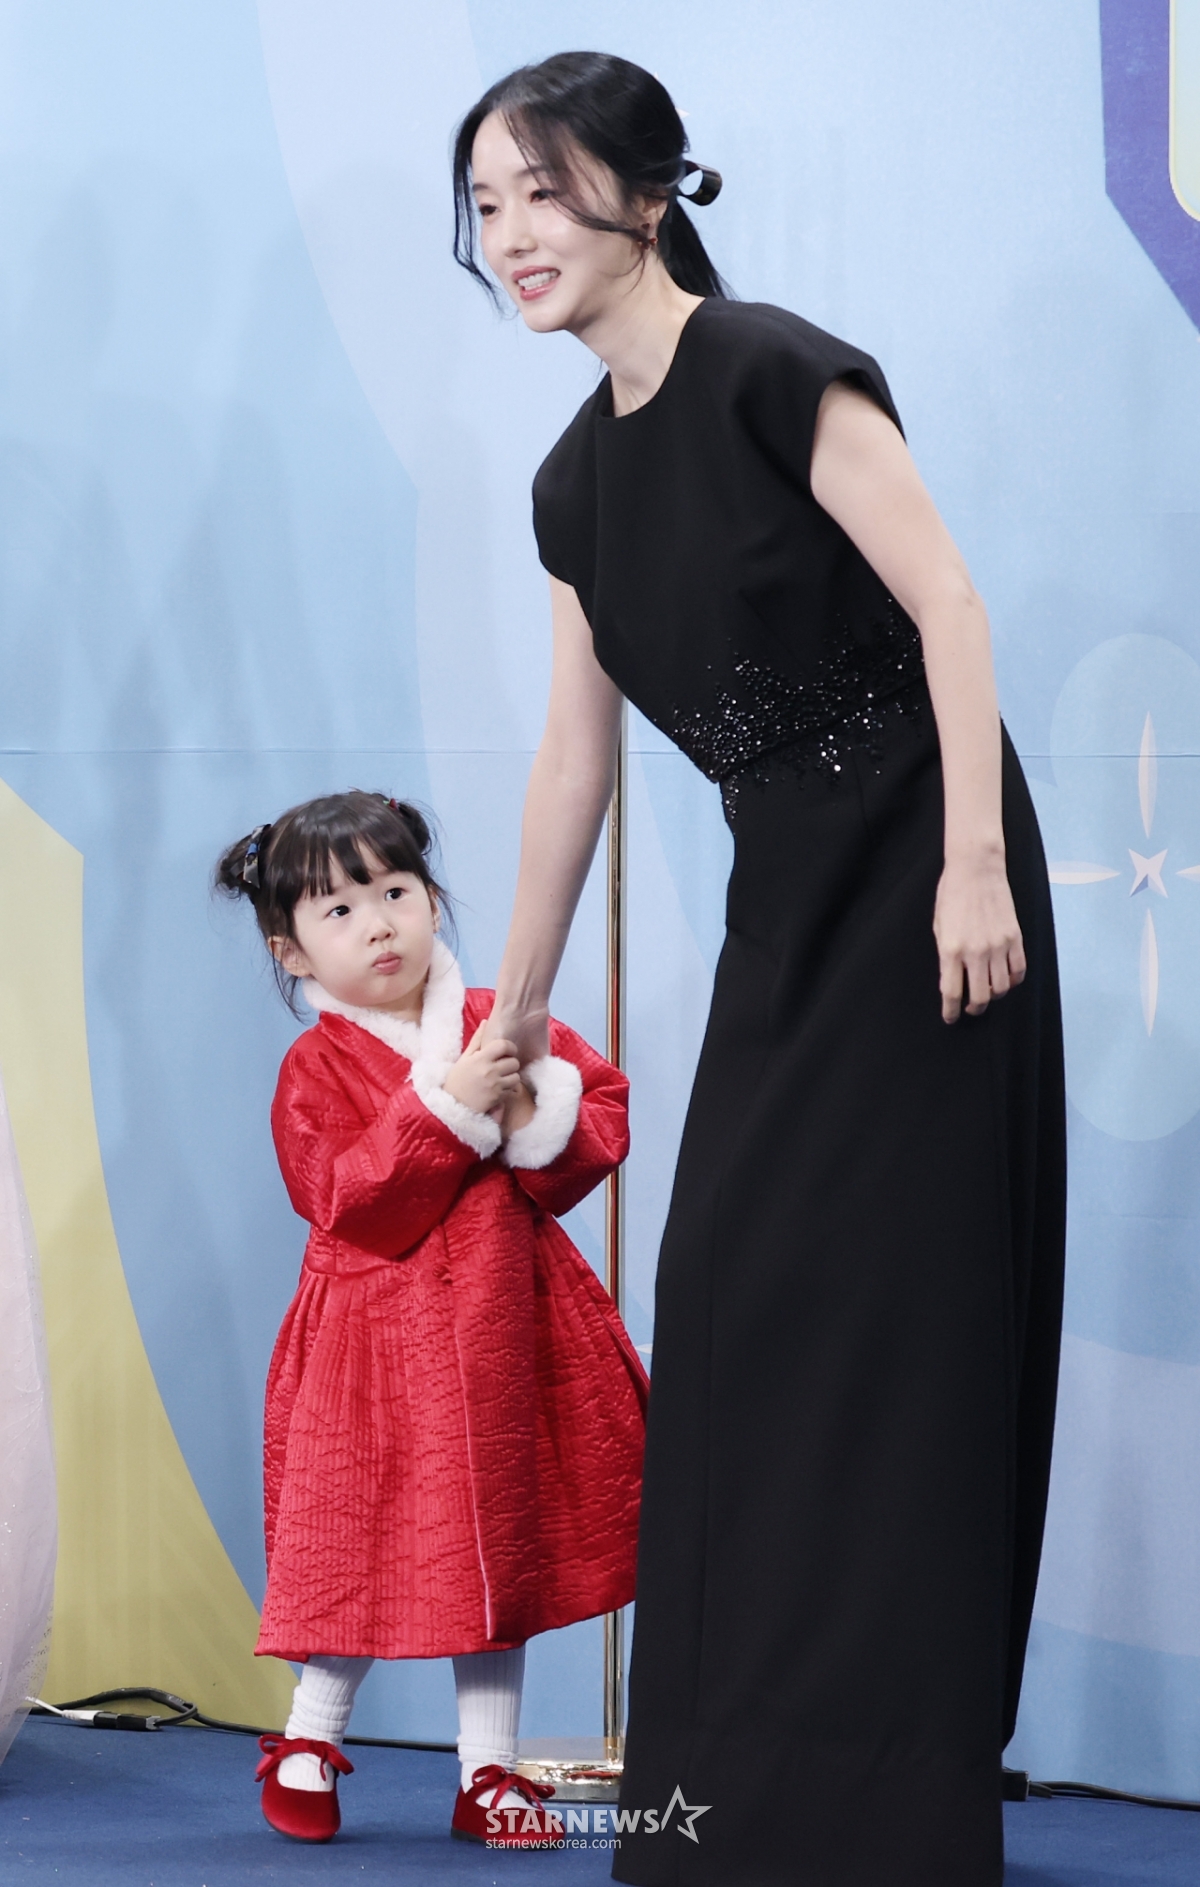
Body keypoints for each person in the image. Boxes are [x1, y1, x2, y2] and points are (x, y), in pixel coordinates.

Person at [451, 51, 1066, 1887]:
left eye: (546, 189)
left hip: (933, 876)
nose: (514, 233)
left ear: (649, 194)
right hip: (787, 906)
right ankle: (724, 1794)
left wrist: (972, 865)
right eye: (486, 205)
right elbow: (573, 768)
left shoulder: (771, 366)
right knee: (730, 1300)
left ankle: (888, 1790)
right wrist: (514, 1014)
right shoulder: (573, 485)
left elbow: (950, 602)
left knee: (901, 1328)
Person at [215, 790, 647, 1850]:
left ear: (432, 899)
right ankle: (310, 1734)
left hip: (506, 1329)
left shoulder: (500, 1019)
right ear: (292, 952)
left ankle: (488, 1769)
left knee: (498, 1544)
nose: (379, 924)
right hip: (369, 1351)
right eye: (338, 910)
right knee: (358, 1540)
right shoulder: (316, 1068)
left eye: (396, 892)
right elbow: (346, 1197)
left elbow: (597, 1119)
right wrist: (448, 1104)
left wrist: (525, 1105)